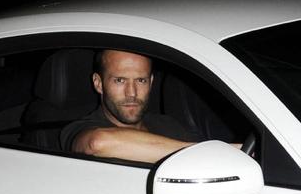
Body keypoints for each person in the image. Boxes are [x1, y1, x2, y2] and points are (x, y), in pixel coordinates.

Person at [60, 49, 200, 162]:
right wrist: (198, 154)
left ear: (151, 82)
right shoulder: (79, 129)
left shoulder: (168, 124)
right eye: (120, 80)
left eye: (141, 80)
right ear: (98, 83)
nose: (132, 93)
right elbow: (97, 144)